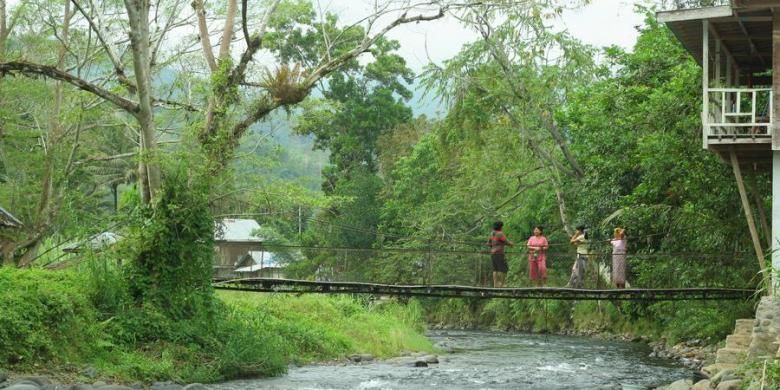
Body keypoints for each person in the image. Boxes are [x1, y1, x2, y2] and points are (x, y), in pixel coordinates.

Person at [487, 221, 513, 288]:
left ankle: (495, 284)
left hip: (492, 253)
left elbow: (488, 243)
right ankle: (502, 284)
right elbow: (505, 241)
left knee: (495, 269)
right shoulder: (500, 233)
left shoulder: (492, 233)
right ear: (501, 227)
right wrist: (511, 244)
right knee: (503, 269)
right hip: (499, 253)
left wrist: (493, 245)